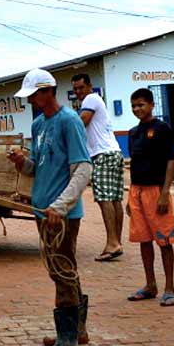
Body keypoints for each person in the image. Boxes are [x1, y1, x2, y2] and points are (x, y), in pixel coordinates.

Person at [7, 69, 93, 346]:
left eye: (33, 94)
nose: (30, 100)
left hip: (61, 215)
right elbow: (38, 168)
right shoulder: (38, 124)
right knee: (65, 267)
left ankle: (68, 342)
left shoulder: (69, 122)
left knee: (61, 271)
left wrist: (61, 206)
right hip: (42, 211)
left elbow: (83, 169)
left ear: (47, 92)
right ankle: (76, 330)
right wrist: (22, 163)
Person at [125, 88, 174, 306]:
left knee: (164, 240)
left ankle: (170, 288)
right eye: (134, 106)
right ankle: (150, 284)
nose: (137, 109)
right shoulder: (132, 133)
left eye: (141, 105)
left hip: (156, 191)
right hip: (137, 190)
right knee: (144, 240)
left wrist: (165, 192)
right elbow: (134, 163)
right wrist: (130, 195)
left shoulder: (162, 128)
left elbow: (170, 161)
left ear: (152, 105)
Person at [71, 73, 125, 261]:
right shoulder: (93, 101)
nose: (78, 92)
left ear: (89, 86)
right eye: (75, 89)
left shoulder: (91, 99)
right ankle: (116, 242)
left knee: (104, 198)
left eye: (81, 88)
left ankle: (113, 242)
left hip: (102, 154)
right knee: (115, 199)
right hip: (114, 152)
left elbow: (81, 121)